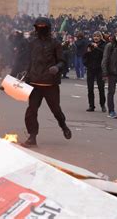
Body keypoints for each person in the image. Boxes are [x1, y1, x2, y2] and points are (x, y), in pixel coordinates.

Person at [22, 17, 72, 147]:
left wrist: (57, 67)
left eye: (43, 26)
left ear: (48, 28)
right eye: (38, 27)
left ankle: (63, 125)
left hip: (50, 84)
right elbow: (26, 61)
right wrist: (16, 77)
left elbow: (62, 61)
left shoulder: (55, 44)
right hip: (34, 83)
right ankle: (32, 137)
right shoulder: (32, 43)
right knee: (31, 111)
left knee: (56, 110)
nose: (40, 29)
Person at [83, 31, 106, 112]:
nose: (96, 38)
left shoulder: (104, 44)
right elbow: (85, 56)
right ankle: (91, 105)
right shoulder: (90, 44)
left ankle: (102, 104)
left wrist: (97, 48)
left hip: (99, 68)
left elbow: (105, 54)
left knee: (101, 87)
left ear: (100, 37)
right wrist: (88, 52)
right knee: (90, 88)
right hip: (90, 68)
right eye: (94, 36)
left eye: (97, 36)